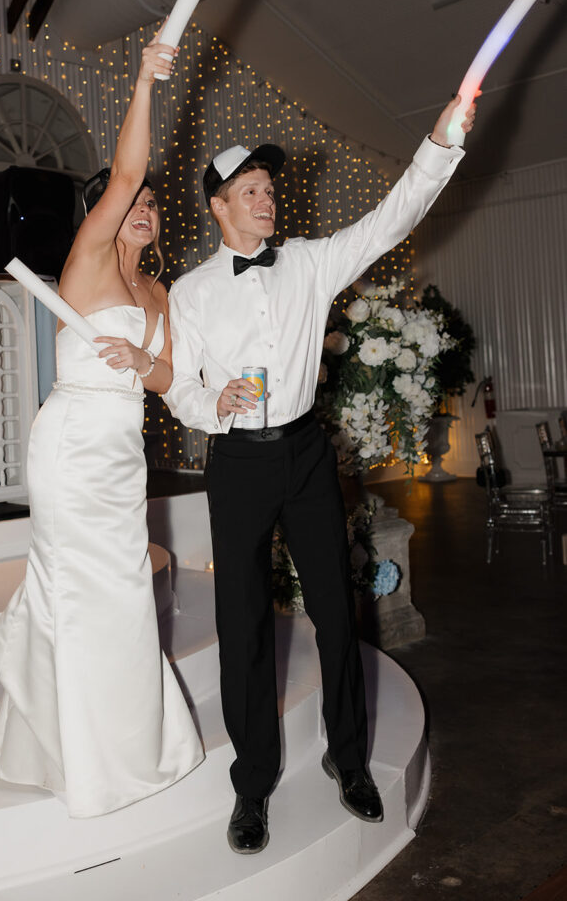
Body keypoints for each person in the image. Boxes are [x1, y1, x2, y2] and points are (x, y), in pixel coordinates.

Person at [162, 95, 476, 853]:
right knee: (242, 628)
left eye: (271, 188)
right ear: (219, 206)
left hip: (305, 454)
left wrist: (438, 142)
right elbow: (177, 387)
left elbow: (389, 221)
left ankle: (349, 757)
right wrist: (215, 402)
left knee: (337, 611)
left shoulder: (307, 261)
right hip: (237, 461)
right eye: (251, 191)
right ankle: (253, 785)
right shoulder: (192, 292)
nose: (268, 199)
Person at [0, 33, 204, 817]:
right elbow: (132, 166)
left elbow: (175, 385)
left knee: (124, 598)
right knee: (81, 593)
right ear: (105, 214)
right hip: (72, 446)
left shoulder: (160, 295)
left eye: (147, 205)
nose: (142, 207)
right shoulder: (88, 260)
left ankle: (120, 743)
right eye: (128, 202)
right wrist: (146, 78)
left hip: (123, 454)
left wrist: (146, 368)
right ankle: (89, 760)